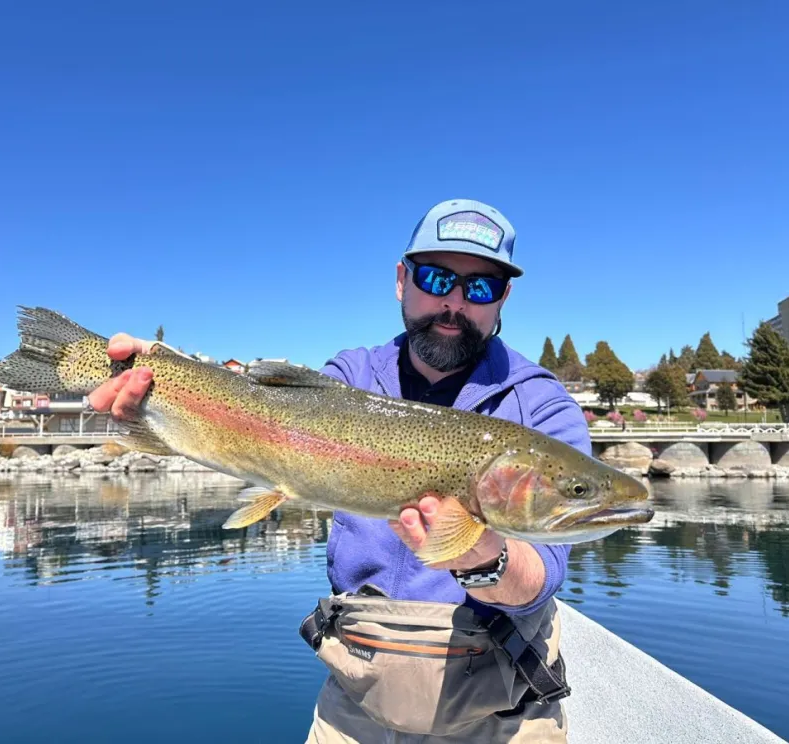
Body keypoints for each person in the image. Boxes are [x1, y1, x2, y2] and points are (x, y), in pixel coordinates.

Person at [87, 199, 590, 743]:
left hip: (500, 718)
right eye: (435, 278)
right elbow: (256, 417)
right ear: (401, 280)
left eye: (481, 287)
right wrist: (168, 381)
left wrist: (482, 559)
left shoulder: (541, 407)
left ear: (503, 298)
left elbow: (542, 577)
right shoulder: (350, 377)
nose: (454, 302)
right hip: (355, 708)